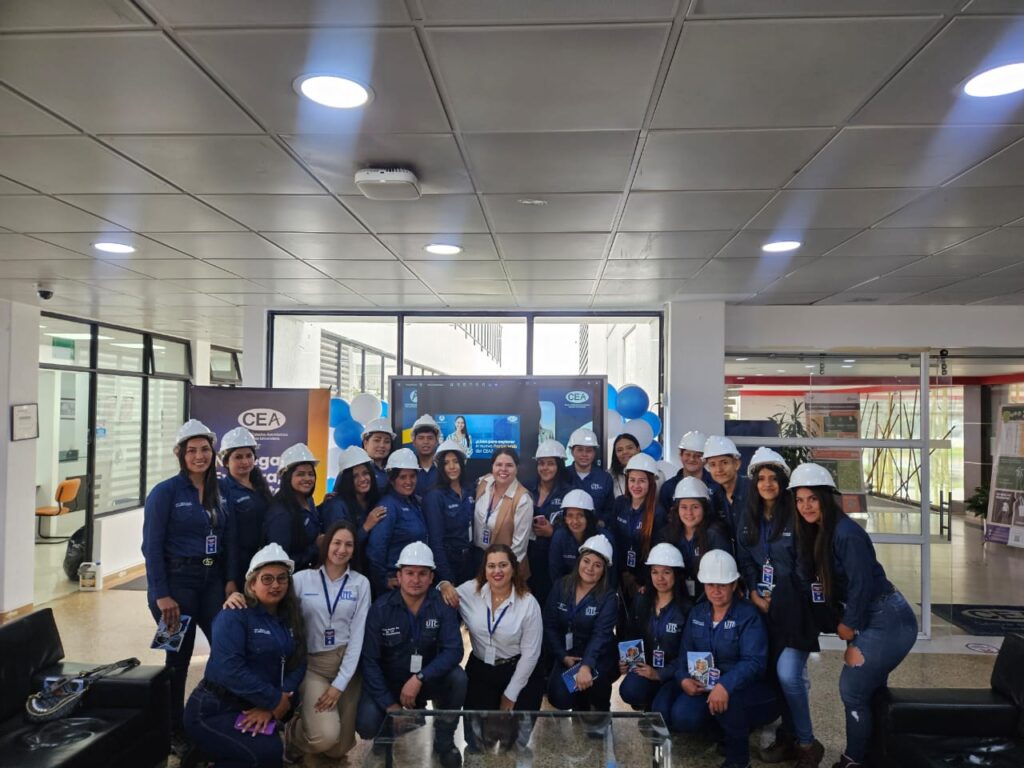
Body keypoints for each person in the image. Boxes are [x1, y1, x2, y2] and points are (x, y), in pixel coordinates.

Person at [791, 463, 917, 768]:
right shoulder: (818, 531)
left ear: (826, 498)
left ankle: (854, 760)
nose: (806, 506)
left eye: (812, 498)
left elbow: (861, 584)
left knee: (853, 689)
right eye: (800, 500)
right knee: (870, 691)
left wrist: (850, 624)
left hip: (886, 619)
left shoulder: (846, 533)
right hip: (870, 617)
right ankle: (874, 754)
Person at [141, 418, 229, 755]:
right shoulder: (165, 493)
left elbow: (226, 538)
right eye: (192, 450)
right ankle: (172, 730)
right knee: (177, 658)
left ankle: (210, 716)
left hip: (211, 581)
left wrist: (228, 582)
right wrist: (161, 595)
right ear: (180, 454)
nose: (199, 456)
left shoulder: (219, 491)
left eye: (205, 449)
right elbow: (151, 547)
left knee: (226, 646)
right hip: (175, 587)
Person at [736, 448, 823, 767]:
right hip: (763, 608)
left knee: (789, 674)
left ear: (783, 482)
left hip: (795, 610)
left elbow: (805, 566)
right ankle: (789, 736)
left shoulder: (796, 516)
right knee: (777, 675)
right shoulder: (749, 517)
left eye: (773, 478)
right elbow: (746, 559)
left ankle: (807, 743)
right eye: (761, 478)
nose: (767, 484)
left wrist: (782, 598)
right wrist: (753, 593)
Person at [653, 550, 780, 768]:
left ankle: (738, 761)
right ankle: (717, 731)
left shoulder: (748, 615)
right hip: (703, 685)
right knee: (677, 713)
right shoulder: (698, 613)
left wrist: (725, 685)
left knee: (730, 706)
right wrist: (683, 679)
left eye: (722, 585)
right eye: (710, 584)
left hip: (742, 688)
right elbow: (684, 656)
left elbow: (754, 662)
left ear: (734, 584)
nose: (716, 591)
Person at [183, 544, 306, 768]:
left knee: (269, 753)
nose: (276, 585)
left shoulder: (290, 617)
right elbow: (229, 670)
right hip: (214, 709)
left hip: (255, 704)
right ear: (252, 584)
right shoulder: (234, 616)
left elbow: (299, 662)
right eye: (267, 579)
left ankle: (214, 754)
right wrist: (273, 700)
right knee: (266, 755)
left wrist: (278, 701)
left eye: (282, 578)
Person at [356, 542, 466, 768]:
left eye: (422, 573)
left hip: (425, 679)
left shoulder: (442, 605)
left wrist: (420, 678)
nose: (416, 579)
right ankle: (387, 735)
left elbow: (455, 650)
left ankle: (444, 741)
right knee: (367, 723)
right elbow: (370, 661)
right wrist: (391, 706)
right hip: (391, 683)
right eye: (410, 573)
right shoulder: (381, 609)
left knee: (458, 678)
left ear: (431, 577)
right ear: (399, 576)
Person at [438, 544, 544, 752]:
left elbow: (531, 655)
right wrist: (443, 584)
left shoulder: (528, 603)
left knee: (514, 744)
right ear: (484, 569)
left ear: (513, 568)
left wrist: (510, 694)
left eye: (503, 565)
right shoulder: (470, 590)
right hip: (482, 669)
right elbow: (443, 594)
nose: (497, 571)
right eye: (491, 566)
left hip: (519, 671)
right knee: (476, 740)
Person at [286, 521, 370, 763]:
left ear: (354, 550)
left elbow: (357, 637)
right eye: (337, 543)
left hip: (346, 665)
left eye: (348, 545)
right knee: (325, 738)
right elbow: (274, 607)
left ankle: (314, 725)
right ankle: (293, 732)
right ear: (326, 545)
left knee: (338, 748)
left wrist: (339, 685)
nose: (342, 550)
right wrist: (239, 596)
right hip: (313, 665)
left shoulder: (360, 583)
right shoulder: (302, 579)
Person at [543, 535, 619, 714]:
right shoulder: (561, 586)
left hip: (599, 657)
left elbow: (601, 635)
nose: (590, 568)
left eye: (597, 565)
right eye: (586, 561)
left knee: (597, 685)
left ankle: (598, 711)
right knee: (559, 696)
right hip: (569, 656)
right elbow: (549, 625)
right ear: (579, 561)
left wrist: (586, 665)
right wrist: (563, 656)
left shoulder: (609, 597)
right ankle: (580, 703)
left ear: (604, 570)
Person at [618, 543, 690, 711]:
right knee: (629, 690)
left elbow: (688, 654)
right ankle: (647, 702)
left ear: (676, 574)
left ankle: (661, 704)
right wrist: (626, 660)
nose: (660, 578)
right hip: (646, 668)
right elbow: (631, 635)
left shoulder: (686, 609)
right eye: (655, 572)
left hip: (673, 675)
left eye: (666, 572)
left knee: (662, 708)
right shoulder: (641, 600)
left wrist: (659, 674)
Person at [366, 448, 429, 595]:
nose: (409, 481)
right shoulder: (388, 506)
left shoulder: (414, 502)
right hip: (396, 587)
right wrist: (383, 581)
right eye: (402, 477)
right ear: (392, 479)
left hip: (414, 582)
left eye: (412, 476)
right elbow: (376, 550)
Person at [658, 476, 732, 600]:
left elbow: (722, 575)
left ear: (704, 508)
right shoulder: (667, 534)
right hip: (678, 597)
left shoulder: (715, 534)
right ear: (677, 509)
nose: (689, 513)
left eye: (695, 507)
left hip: (709, 598)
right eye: (684, 507)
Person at [218, 426, 273, 594]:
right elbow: (228, 539)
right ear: (226, 462)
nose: (245, 461)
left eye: (249, 456)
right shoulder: (223, 490)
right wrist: (230, 579)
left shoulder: (260, 486)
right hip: (239, 567)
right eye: (238, 457)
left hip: (263, 562)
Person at [611, 452, 667, 600]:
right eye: (632, 480)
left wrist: (643, 582)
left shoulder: (658, 513)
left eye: (642, 481)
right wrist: (623, 573)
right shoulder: (619, 504)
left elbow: (657, 551)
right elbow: (614, 541)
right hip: (620, 576)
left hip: (644, 582)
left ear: (651, 483)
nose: (636, 486)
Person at [472, 447, 534, 579]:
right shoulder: (483, 483)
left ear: (517, 468)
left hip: (504, 566)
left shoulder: (523, 499)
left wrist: (501, 572)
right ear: (492, 466)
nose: (503, 469)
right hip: (477, 557)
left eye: (509, 465)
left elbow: (519, 548)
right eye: (499, 464)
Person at [423, 439, 475, 586]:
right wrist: (447, 578)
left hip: (470, 560)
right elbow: (436, 542)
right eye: (446, 463)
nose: (452, 467)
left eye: (455, 462)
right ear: (440, 467)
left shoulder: (470, 490)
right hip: (448, 561)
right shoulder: (435, 496)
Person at [318, 445, 386, 559]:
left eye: (365, 473)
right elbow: (339, 547)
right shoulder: (336, 506)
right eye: (355, 476)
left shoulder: (374, 500)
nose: (362, 479)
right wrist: (366, 526)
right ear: (347, 479)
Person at [264, 443, 322, 572]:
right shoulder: (280, 514)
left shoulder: (308, 500)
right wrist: (316, 547)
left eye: (310, 474)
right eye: (300, 474)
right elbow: (281, 561)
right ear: (287, 477)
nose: (307, 478)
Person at [527, 439, 571, 607]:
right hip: (528, 558)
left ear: (559, 465)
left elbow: (577, 530)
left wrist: (553, 532)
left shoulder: (568, 492)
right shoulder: (526, 488)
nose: (545, 468)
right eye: (541, 463)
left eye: (550, 463)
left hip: (555, 561)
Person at [548, 489, 615, 585]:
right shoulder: (559, 537)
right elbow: (556, 576)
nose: (575, 521)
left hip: (598, 591)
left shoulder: (605, 539)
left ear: (589, 517)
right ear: (565, 518)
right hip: (567, 589)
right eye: (570, 515)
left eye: (580, 515)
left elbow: (611, 579)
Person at [567, 427, 614, 528]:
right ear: (572, 451)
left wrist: (601, 523)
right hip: (567, 531)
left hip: (596, 531)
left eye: (589, 450)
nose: (584, 454)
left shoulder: (605, 478)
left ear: (594, 452)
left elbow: (610, 510)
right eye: (580, 450)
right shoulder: (562, 476)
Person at [659, 430, 718, 510]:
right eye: (687, 454)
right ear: (681, 455)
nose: (691, 459)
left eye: (698, 456)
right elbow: (663, 516)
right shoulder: (668, 487)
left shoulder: (717, 484)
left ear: (706, 459)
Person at [703, 435, 750, 536]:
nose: (719, 469)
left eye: (724, 463)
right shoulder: (715, 497)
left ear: (737, 464)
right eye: (713, 464)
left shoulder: (754, 490)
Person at [411, 414, 441, 498]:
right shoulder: (408, 467)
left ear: (436, 441)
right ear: (414, 442)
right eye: (421, 438)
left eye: (430, 438)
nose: (426, 442)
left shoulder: (444, 467)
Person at [361, 418, 395, 492]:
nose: (382, 445)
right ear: (365, 443)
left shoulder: (393, 469)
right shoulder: (355, 469)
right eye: (377, 440)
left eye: (387, 441)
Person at [610, 433, 641, 498]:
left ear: (638, 449)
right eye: (620, 450)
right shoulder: (609, 476)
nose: (625, 452)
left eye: (629, 448)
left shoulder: (655, 474)